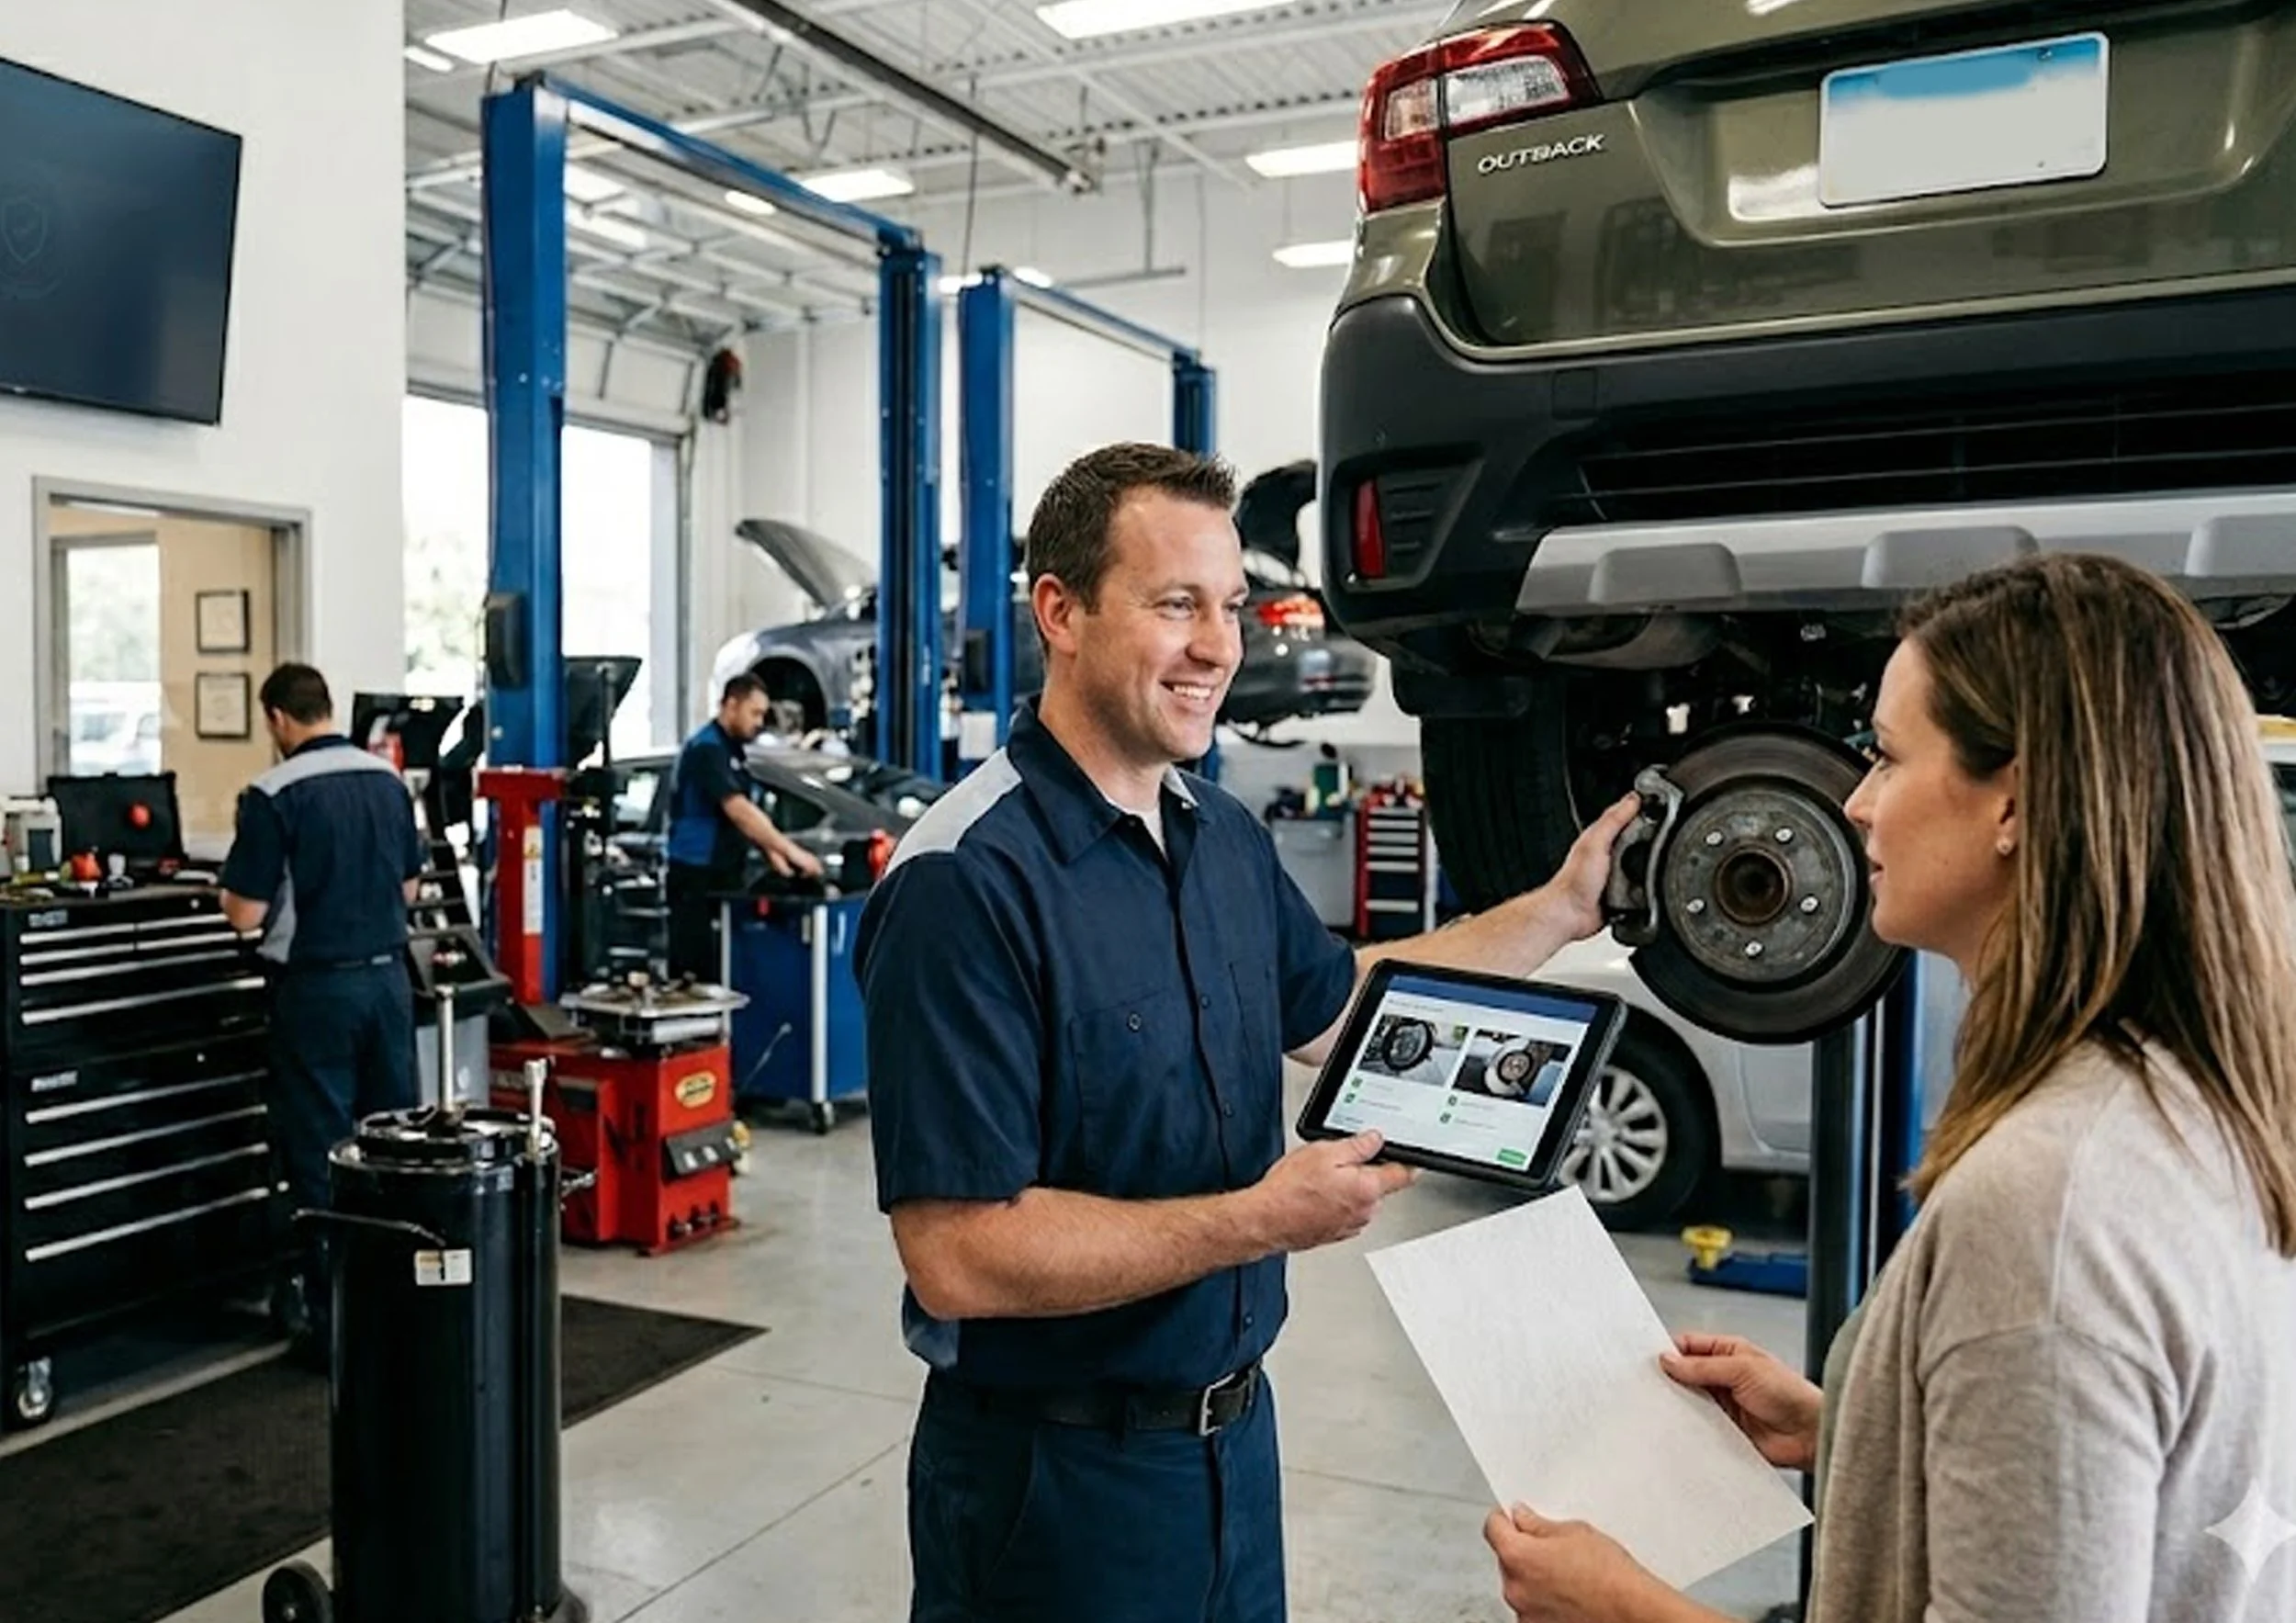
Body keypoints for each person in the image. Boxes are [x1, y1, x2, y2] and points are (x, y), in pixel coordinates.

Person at [855, 442, 1641, 1623]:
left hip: (1234, 1451)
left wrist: (1560, 910)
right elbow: (959, 1256)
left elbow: (1346, 1008)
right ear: (1060, 612)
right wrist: (1260, 1220)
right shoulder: (965, 884)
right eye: (1176, 605)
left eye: (1228, 605)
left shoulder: (1217, 834)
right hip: (1056, 1494)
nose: (1220, 646)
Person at [1482, 553, 2296, 1623]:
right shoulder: (2195, 1101)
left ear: (2013, 802)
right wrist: (1860, 1426)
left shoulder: (2045, 1208)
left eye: (1888, 758)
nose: (1857, 803)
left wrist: (1625, 1609)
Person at [219, 662, 429, 1364]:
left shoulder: (273, 792)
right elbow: (409, 882)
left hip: (317, 993)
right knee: (394, 1149)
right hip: (389, 984)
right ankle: (400, 1308)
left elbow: (245, 914)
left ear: (277, 718)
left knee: (321, 1155)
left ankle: (334, 1326)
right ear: (329, 708)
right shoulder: (387, 780)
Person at [663, 673, 823, 978]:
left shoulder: (732, 750)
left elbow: (750, 821)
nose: (759, 721)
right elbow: (739, 812)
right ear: (731, 705)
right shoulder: (706, 749)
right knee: (697, 971)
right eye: (755, 712)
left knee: (726, 969)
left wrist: (776, 857)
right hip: (696, 878)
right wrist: (792, 851)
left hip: (724, 876)